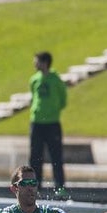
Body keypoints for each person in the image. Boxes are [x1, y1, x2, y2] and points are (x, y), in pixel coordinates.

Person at [29, 51, 69, 198]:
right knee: (35, 156)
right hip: (36, 123)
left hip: (52, 123)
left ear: (45, 62)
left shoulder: (56, 80)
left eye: (37, 61)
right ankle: (35, 187)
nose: (34, 64)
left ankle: (59, 187)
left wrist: (52, 111)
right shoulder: (34, 79)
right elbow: (33, 97)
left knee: (56, 156)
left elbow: (63, 99)